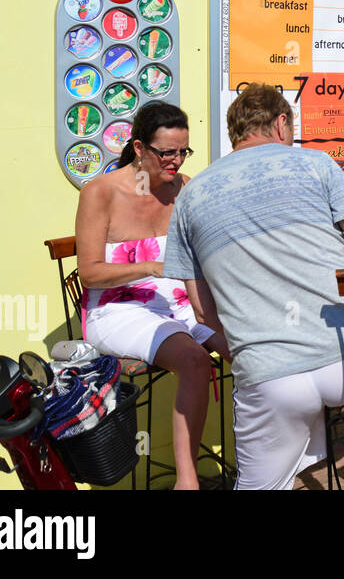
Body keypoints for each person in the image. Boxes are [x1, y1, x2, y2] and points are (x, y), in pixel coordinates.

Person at [163, 85, 344, 489]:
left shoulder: (190, 196)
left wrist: (254, 347)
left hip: (270, 373)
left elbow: (204, 313)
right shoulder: (316, 164)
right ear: (281, 123)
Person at [74, 101, 230, 490]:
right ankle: (188, 480)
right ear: (140, 148)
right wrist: (150, 267)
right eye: (167, 152)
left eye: (183, 151)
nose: (176, 162)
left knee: (246, 350)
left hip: (180, 303)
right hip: (118, 308)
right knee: (195, 362)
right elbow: (90, 272)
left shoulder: (185, 187)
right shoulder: (101, 192)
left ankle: (259, 461)